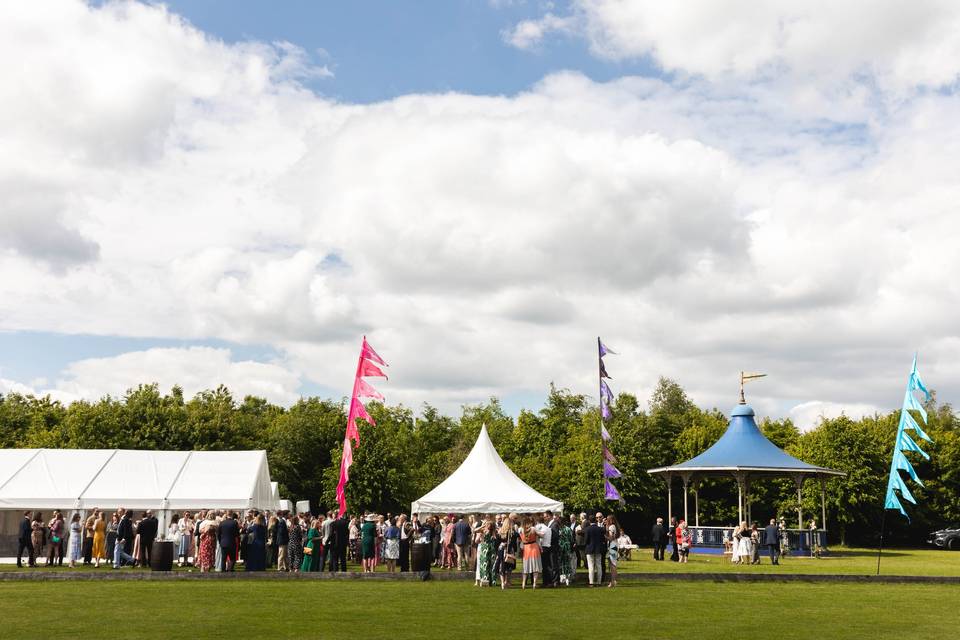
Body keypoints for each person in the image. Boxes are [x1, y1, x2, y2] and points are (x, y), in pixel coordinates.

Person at [498, 514, 519, 590]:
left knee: (502, 566)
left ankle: (502, 583)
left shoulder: (500, 531)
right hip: (509, 550)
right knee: (509, 567)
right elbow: (517, 539)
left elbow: (497, 540)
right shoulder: (512, 532)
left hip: (501, 549)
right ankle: (507, 581)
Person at [520, 517, 542, 589]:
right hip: (534, 548)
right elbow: (541, 535)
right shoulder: (533, 529)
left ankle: (523, 583)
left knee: (526, 567)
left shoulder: (521, 530)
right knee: (535, 567)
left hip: (526, 549)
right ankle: (534, 584)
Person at [584, 515, 605, 586]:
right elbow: (603, 539)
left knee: (591, 566)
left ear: (589, 521)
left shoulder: (587, 529)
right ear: (595, 520)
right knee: (599, 565)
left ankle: (591, 582)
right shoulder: (600, 529)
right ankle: (599, 582)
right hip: (598, 549)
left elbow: (586, 540)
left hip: (590, 549)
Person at [557, 515, 574, 586]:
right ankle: (567, 578)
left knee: (561, 562)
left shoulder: (559, 529)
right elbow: (571, 539)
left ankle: (562, 577)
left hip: (560, 547)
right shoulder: (568, 529)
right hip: (567, 547)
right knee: (567, 563)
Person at [605, 515, 619, 587]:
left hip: (612, 546)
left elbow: (611, 538)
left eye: (607, 519)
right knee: (613, 564)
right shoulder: (614, 526)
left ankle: (612, 581)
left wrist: (604, 536)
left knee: (613, 565)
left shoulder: (611, 527)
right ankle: (614, 581)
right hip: (614, 545)